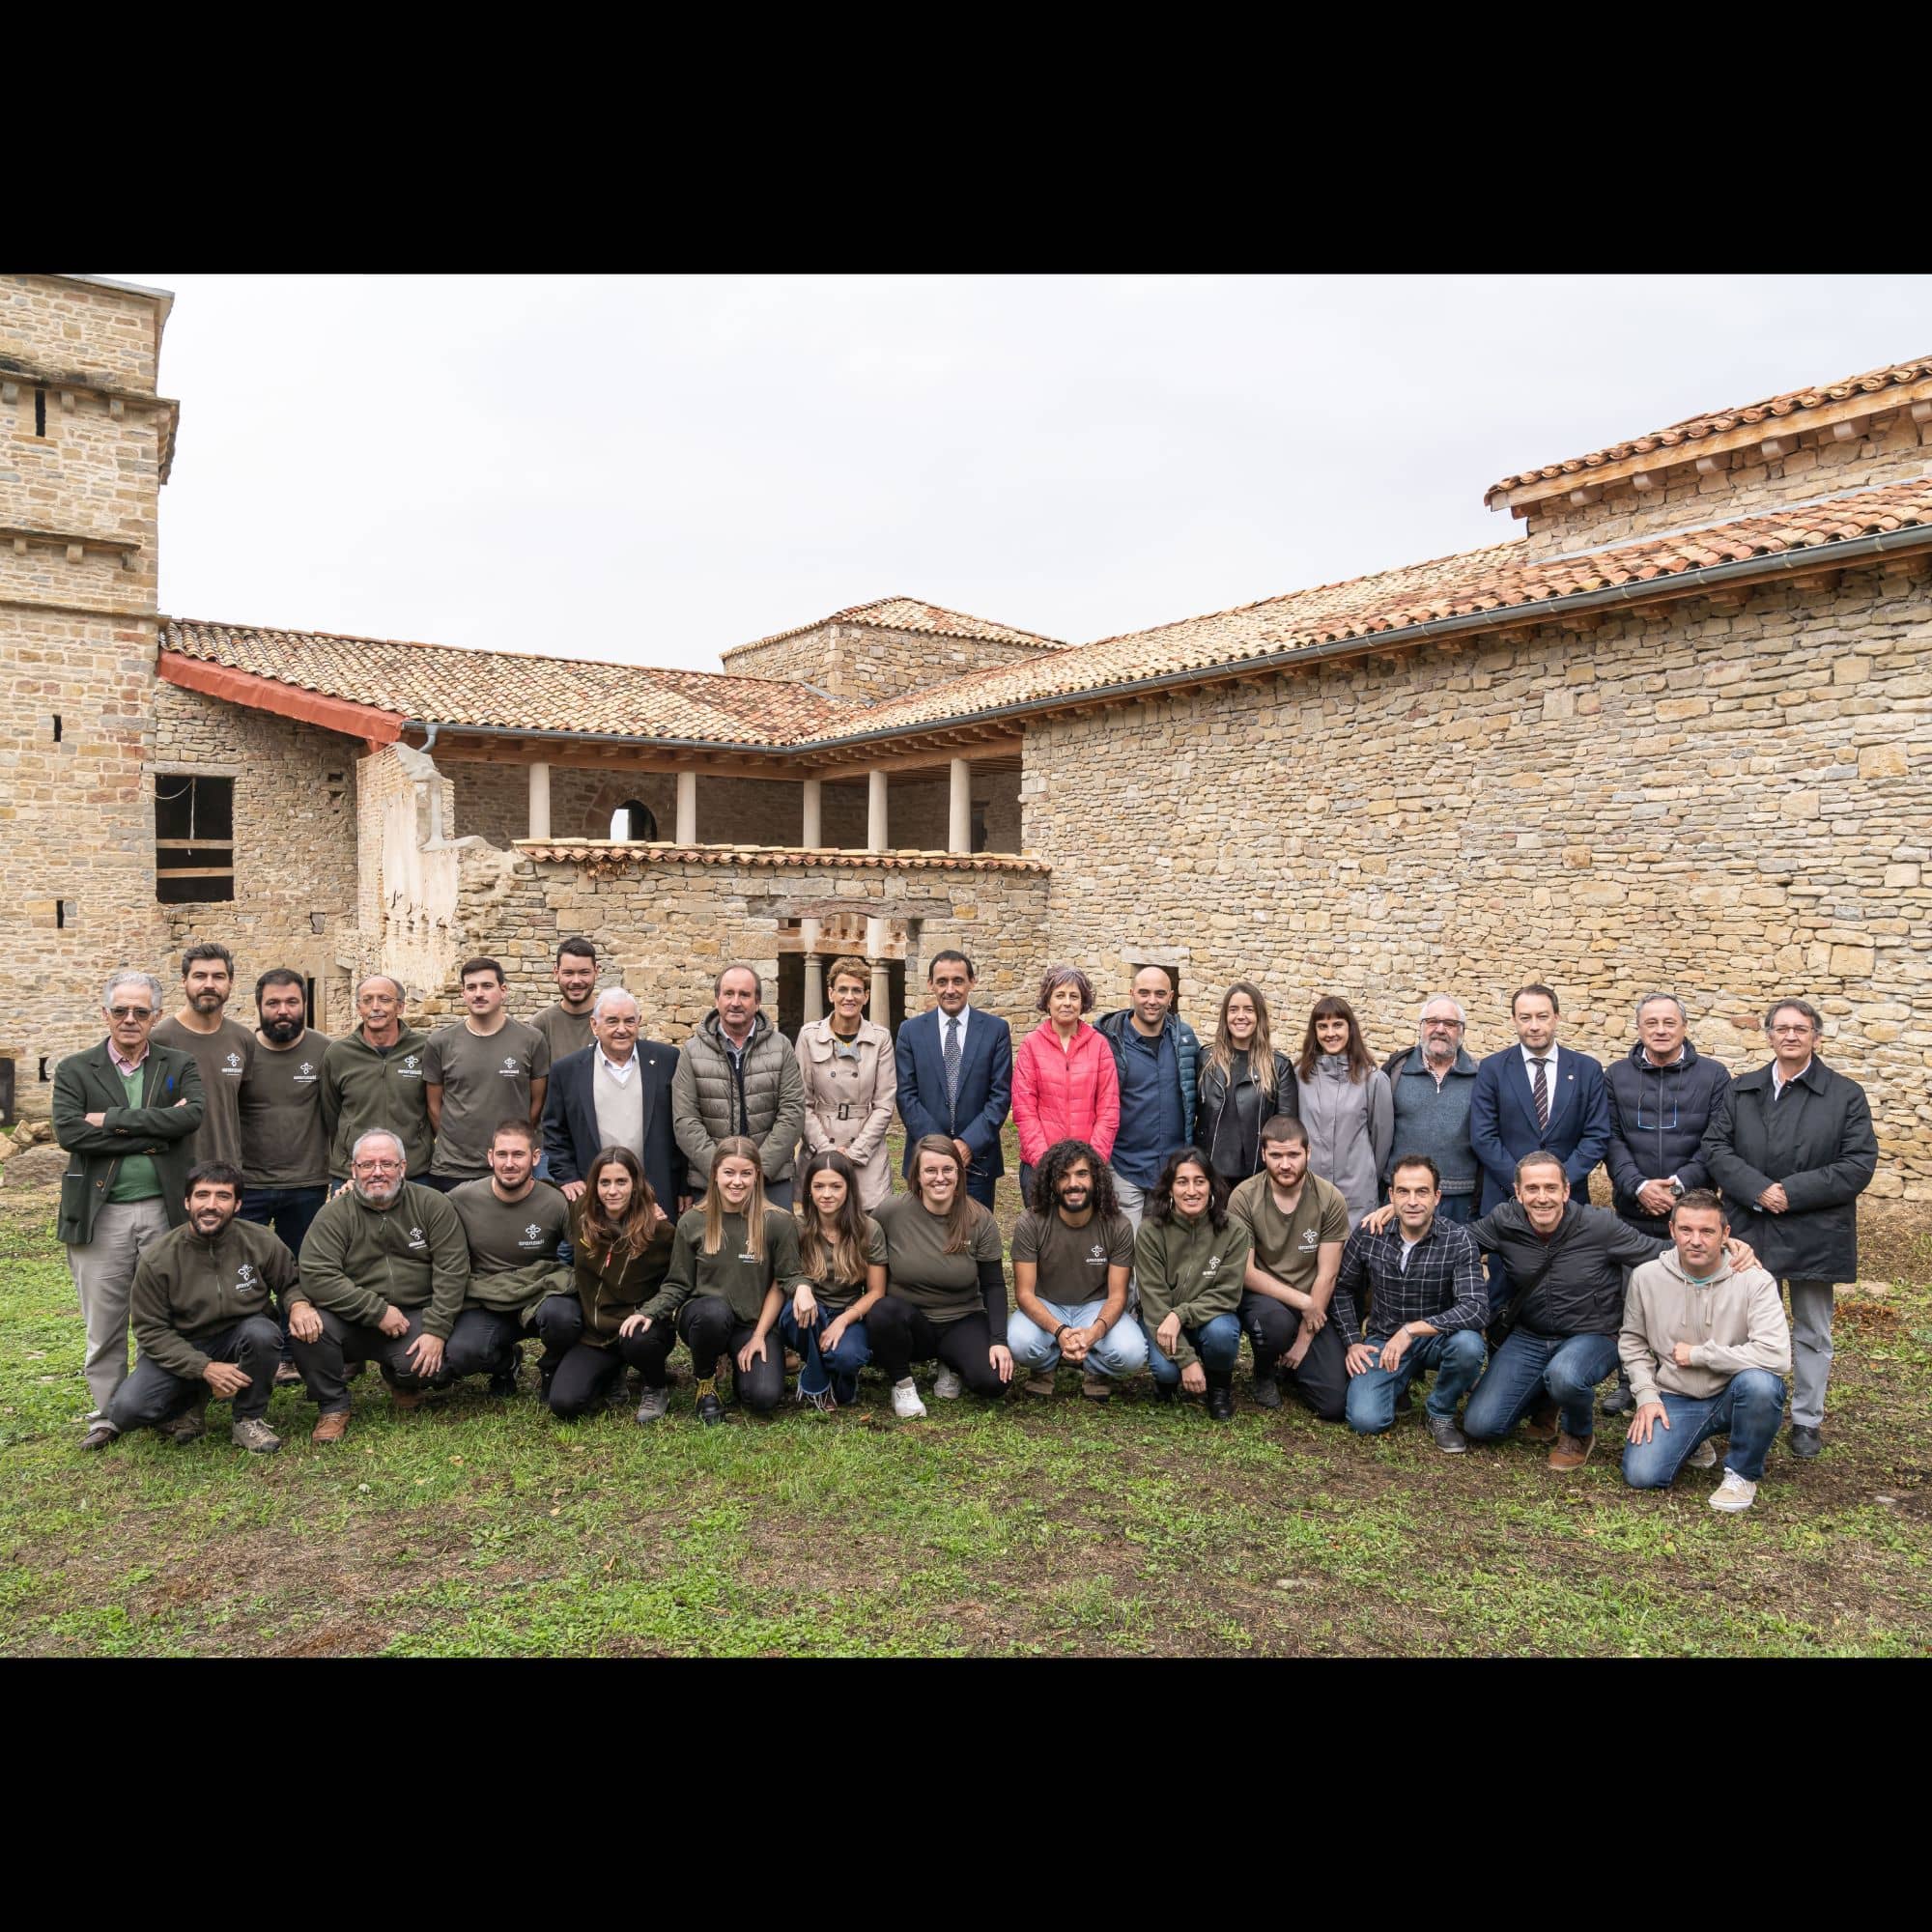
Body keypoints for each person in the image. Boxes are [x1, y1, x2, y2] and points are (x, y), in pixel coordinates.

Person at [1702, 998, 1878, 1460]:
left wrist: (1792, 1192)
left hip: (1815, 1230)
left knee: (1813, 1329)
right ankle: (1740, 1407)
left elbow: (1858, 1164)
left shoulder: (1845, 1095)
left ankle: (1806, 1419)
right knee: (1741, 1326)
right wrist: (1759, 1190)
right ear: (1769, 1036)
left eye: (1801, 1029)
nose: (1791, 1036)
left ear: (1816, 1037)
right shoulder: (1741, 1089)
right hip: (1751, 1226)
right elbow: (1716, 1148)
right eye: (1782, 1028)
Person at [1455, 1151, 1703, 1470]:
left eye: (1550, 1188)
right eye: (1532, 1189)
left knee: (1566, 1374)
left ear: (1566, 1191)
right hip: (1532, 1335)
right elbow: (1453, 1243)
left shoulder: (1599, 1225)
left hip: (1594, 1335)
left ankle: (1578, 1433)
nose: (1542, 1198)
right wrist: (1401, 1215)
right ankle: (1546, 1403)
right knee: (1481, 1425)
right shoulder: (1505, 1221)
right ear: (1518, 1193)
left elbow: (1658, 1253)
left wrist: (1725, 1249)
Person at [55, 969, 206, 1441]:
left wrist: (113, 1122)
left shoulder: (179, 1064)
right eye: (120, 1010)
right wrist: (152, 1135)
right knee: (105, 1320)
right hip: (101, 1214)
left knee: (172, 1314)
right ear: (105, 1013)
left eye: (141, 1011)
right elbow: (70, 1132)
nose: (129, 1019)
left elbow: (192, 1117)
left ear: (156, 1016)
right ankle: (109, 1414)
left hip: (165, 1210)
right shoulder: (75, 1069)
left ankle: (171, 1407)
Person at [95, 1161, 296, 1455]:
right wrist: (205, 1367)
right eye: (202, 1195)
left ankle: (247, 1419)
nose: (211, 1205)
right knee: (127, 1411)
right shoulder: (159, 1258)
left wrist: (299, 1304)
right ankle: (190, 1402)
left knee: (262, 1332)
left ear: (238, 1204)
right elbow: (150, 1330)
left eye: (223, 1196)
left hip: (239, 1336)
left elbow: (292, 1281)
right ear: (187, 1201)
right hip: (183, 1344)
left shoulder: (260, 1240)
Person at [1599, 992, 1731, 1417]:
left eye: (1668, 1022)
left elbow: (1715, 1139)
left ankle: (1687, 1382)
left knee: (1691, 1304)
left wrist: (1677, 1187)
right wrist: (1637, 1185)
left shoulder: (1713, 1076)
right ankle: (1629, 1382)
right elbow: (1611, 1138)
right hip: (1633, 1210)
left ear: (1684, 1027)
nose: (1660, 1029)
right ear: (1638, 1028)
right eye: (1651, 1022)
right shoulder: (1616, 1075)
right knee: (1632, 1299)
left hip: (1691, 1212)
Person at [289, 1128, 469, 1442]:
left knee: (429, 1366)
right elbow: (317, 1274)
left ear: (403, 1167)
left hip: (414, 1313)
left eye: (386, 1164)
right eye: (367, 1165)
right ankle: (333, 1406)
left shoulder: (433, 1204)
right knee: (309, 1329)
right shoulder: (333, 1215)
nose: (377, 1173)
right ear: (353, 1170)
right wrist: (376, 1310)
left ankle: (402, 1379)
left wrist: (437, 1330)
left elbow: (452, 1270)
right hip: (350, 1318)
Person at [1621, 1189, 1793, 1512]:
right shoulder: (1646, 1278)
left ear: (1725, 1234)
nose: (1695, 1240)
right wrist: (1645, 1395)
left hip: (1733, 1392)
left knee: (1762, 1385)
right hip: (1675, 1395)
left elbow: (1777, 1355)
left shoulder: (1754, 1280)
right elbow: (1633, 1342)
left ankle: (1742, 1473)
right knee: (1642, 1474)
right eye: (1686, 1230)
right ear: (1672, 1230)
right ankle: (1694, 1440)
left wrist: (1701, 1354)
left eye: (1707, 1231)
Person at [632, 1138, 803, 1422]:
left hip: (753, 1324)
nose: (737, 1182)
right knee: (713, 1313)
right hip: (704, 1318)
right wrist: (649, 1312)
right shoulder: (693, 1221)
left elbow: (787, 1278)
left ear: (757, 1176)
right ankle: (705, 1381)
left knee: (762, 1397)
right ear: (714, 1174)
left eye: (745, 1173)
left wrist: (761, 1334)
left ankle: (740, 1365)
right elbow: (677, 1283)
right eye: (729, 1173)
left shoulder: (778, 1221)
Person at [1337, 1154, 1488, 1451]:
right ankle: (1399, 1383)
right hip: (1384, 1339)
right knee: (1366, 1421)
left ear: (1437, 1197)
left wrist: (1412, 1330)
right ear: (1391, 1195)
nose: (1413, 1201)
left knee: (1469, 1346)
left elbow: (1476, 1307)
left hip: (1439, 1338)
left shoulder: (1458, 1239)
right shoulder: (1369, 1234)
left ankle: (1440, 1412)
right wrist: (1352, 1341)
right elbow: (1342, 1289)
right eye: (1403, 1192)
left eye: (1422, 1192)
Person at [871, 1135, 1012, 1417]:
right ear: (917, 1175)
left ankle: (952, 1362)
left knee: (993, 1382)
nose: (940, 1178)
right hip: (911, 1323)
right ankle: (903, 1385)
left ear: (959, 1174)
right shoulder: (892, 1212)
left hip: (961, 1318)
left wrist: (999, 1340)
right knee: (882, 1312)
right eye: (930, 1171)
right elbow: (868, 1260)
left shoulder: (979, 1218)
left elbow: (994, 1285)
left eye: (948, 1170)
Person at [238, 966, 330, 1381]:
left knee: (303, 1270)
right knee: (249, 1272)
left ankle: (298, 1352)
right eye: (273, 1003)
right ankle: (259, 1351)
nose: (282, 1010)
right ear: (258, 1006)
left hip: (307, 1182)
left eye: (291, 1002)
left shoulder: (325, 1052)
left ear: (304, 1005)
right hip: (250, 1184)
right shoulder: (240, 1051)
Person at [538, 1147, 677, 1421]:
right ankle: (612, 1371)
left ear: (635, 1184)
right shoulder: (581, 1214)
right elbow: (538, 1192)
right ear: (594, 1185)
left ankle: (656, 1386)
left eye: (621, 1182)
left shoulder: (660, 1231)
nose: (612, 1191)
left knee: (638, 1340)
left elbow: (677, 1283)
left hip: (641, 1331)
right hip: (595, 1336)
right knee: (564, 1403)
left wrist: (649, 1312)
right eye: (605, 1182)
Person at [1229, 1115, 1351, 1420]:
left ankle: (1294, 1367)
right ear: (1264, 1155)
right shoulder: (1244, 1196)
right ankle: (1264, 1371)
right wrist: (1303, 1302)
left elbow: (1328, 1273)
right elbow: (1245, 1272)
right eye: (1277, 1155)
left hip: (1315, 1300)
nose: (1285, 1164)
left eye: (1294, 1155)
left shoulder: (1329, 1198)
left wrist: (1304, 1340)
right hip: (1264, 1298)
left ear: (1308, 1153)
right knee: (1276, 1324)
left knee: (1334, 1405)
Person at [1007, 1139, 1147, 1400]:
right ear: (1052, 1181)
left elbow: (1118, 1296)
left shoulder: (1118, 1225)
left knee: (1132, 1352)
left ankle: (1093, 1367)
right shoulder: (1032, 1221)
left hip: (1096, 1307)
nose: (1074, 1184)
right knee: (1017, 1342)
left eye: (1082, 1174)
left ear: (1096, 1179)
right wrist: (1059, 1331)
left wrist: (1094, 1333)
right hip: (1046, 1304)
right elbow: (1024, 1293)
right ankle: (1045, 1366)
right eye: (1064, 1176)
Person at [440, 1119, 571, 1396]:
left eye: (518, 1154)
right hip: (487, 1298)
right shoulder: (463, 1197)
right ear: (490, 1157)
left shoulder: (556, 1201)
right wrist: (352, 1194)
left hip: (539, 1296)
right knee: (463, 1353)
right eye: (502, 1154)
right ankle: (506, 1363)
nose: (509, 1163)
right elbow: (418, 1210)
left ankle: (553, 1367)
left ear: (535, 1157)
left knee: (565, 1318)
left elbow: (589, 1246)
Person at [670, 963, 807, 1209]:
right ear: (717, 999)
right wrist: (724, 1171)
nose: (735, 1002)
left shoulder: (781, 1047)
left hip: (771, 1179)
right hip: (710, 1179)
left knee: (770, 1246)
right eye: (728, 993)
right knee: (716, 1246)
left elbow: (792, 1113)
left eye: (744, 995)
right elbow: (685, 1121)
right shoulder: (692, 1052)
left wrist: (757, 1170)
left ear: (757, 1002)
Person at [1468, 982, 1611, 1215]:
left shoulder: (1588, 1070)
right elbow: (1483, 1136)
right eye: (1525, 1018)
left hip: (1569, 1201)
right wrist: (1522, 1185)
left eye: (1542, 1016)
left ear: (1556, 1017)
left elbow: (1597, 1135)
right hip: (1507, 1201)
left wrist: (1560, 1184)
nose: (1534, 1026)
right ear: (1514, 1020)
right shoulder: (1492, 1068)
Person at [542, 986, 682, 1217]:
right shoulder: (567, 1070)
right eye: (612, 1021)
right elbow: (555, 1131)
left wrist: (682, 1186)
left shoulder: (667, 1060)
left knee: (656, 1251)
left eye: (629, 1021)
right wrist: (568, 1177)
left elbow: (679, 1125)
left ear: (639, 1021)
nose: (621, 1029)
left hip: (656, 1191)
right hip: (595, 1194)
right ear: (594, 1025)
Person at [895, 950, 1012, 1211]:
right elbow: (906, 1096)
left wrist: (968, 1143)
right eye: (942, 981)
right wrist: (941, 1149)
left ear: (972, 981)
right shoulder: (910, 1032)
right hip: (925, 1160)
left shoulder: (996, 1030)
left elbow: (1000, 1096)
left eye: (958, 981)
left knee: (973, 1241)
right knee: (925, 1240)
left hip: (977, 1161)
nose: (950, 989)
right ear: (930, 985)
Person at [1137, 1150, 1251, 1418]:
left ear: (1211, 1184)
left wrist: (1181, 1314)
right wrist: (1187, 1361)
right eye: (1182, 1182)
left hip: (1210, 1319)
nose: (1191, 1190)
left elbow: (1228, 1294)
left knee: (1222, 1334)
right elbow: (1153, 1303)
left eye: (1199, 1181)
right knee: (1167, 1371)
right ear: (1169, 1188)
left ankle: (1219, 1389)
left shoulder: (1233, 1230)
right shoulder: (1150, 1231)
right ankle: (1168, 1381)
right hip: (1161, 1319)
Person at [423, 956, 550, 1191]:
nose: (478, 993)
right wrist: (457, 1141)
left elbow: (537, 1102)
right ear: (463, 993)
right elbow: (433, 1105)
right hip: (453, 1167)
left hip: (511, 1165)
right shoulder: (440, 1042)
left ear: (503, 991)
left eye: (487, 986)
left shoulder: (531, 1040)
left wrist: (513, 1141)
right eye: (471, 987)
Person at [781, 1148, 888, 1411]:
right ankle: (819, 1384)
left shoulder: (868, 1229)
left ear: (849, 1189)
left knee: (846, 1358)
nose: (826, 1194)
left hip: (848, 1310)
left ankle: (840, 1377)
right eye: (818, 1186)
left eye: (835, 1186)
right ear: (808, 1189)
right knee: (804, 1313)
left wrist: (843, 1320)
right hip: (807, 1310)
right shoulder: (797, 1225)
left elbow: (876, 1292)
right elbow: (786, 1276)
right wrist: (803, 1289)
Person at [1094, 964, 1200, 1229]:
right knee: (1126, 1256)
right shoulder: (1108, 1041)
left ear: (1171, 997)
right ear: (1131, 993)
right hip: (1123, 1166)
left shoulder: (1184, 1038)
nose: (1152, 1001)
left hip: (1172, 1170)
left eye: (1160, 994)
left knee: (1164, 1256)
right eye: (1144, 993)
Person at [1011, 965, 1120, 1210]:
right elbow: (1024, 1111)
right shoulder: (1032, 1045)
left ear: (1084, 1002)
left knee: (1082, 1240)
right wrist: (1047, 1164)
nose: (1067, 1003)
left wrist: (1090, 1164)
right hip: (1039, 1166)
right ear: (1047, 1001)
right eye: (1060, 995)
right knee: (1043, 1238)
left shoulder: (1099, 1045)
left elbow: (1108, 1110)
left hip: (1086, 1169)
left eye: (1074, 996)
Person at [795, 953, 897, 1210]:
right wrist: (825, 1151)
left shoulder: (880, 1038)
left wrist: (854, 1153)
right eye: (842, 989)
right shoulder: (809, 1036)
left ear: (866, 996)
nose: (849, 997)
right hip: (820, 1144)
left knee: (868, 1225)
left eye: (856, 990)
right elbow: (801, 1101)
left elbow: (885, 1104)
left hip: (865, 1149)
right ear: (830, 994)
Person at [1292, 994, 1392, 1230]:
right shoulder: (1299, 1077)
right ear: (1314, 1031)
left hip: (1357, 1196)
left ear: (1350, 1028)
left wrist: (1364, 1174)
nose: (1330, 1033)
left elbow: (1381, 1141)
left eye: (1338, 1024)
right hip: (1308, 1191)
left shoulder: (1373, 1080)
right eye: (1322, 1026)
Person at [152, 941, 255, 1170]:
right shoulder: (159, 1040)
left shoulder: (243, 1039)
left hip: (227, 1172)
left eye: (218, 976)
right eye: (200, 976)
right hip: (174, 1170)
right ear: (184, 981)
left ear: (231, 982)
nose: (209, 984)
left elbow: (244, 1110)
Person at [321, 975, 432, 1186]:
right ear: (358, 1007)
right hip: (353, 1173)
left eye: (384, 999)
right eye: (367, 1000)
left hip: (414, 1171)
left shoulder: (425, 1049)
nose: (375, 1007)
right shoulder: (338, 1054)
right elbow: (331, 1114)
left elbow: (434, 1108)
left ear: (400, 1007)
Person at [1384, 996, 1481, 1223]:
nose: (1440, 1029)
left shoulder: (1481, 1077)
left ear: (1462, 1031)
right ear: (1421, 1027)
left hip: (1459, 1199)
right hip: (1403, 1195)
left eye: (1449, 1024)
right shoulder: (1395, 1071)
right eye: (1432, 1022)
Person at [1194, 980, 1299, 1186]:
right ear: (1225, 1016)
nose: (1240, 1016)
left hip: (1256, 1177)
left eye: (1248, 1010)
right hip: (1209, 1175)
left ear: (1259, 1016)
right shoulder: (1205, 1060)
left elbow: (1286, 1128)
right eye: (1233, 1010)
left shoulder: (1278, 1066)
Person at [529, 936, 601, 1067]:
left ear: (596, 971)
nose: (576, 981)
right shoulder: (542, 1024)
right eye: (568, 973)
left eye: (584, 972)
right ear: (556, 972)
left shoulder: (612, 1019)